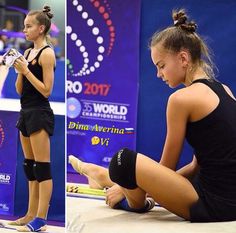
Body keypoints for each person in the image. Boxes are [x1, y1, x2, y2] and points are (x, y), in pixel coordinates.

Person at [70, 9, 236, 222]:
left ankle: (128, 197)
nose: (159, 74)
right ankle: (105, 178)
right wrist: (146, 184)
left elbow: (165, 168)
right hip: (226, 199)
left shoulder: (182, 99)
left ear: (183, 58)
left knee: (123, 162)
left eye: (161, 66)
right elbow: (196, 165)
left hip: (213, 203)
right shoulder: (224, 89)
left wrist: (128, 186)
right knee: (130, 171)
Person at [9, 6, 56, 232]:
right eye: (24, 26)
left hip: (39, 112)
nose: (24, 29)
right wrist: (19, 70)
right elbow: (20, 90)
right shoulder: (27, 53)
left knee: (42, 168)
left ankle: (42, 219)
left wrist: (27, 71)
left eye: (28, 26)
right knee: (30, 167)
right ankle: (30, 213)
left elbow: (47, 91)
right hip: (25, 111)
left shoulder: (46, 53)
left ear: (41, 28)